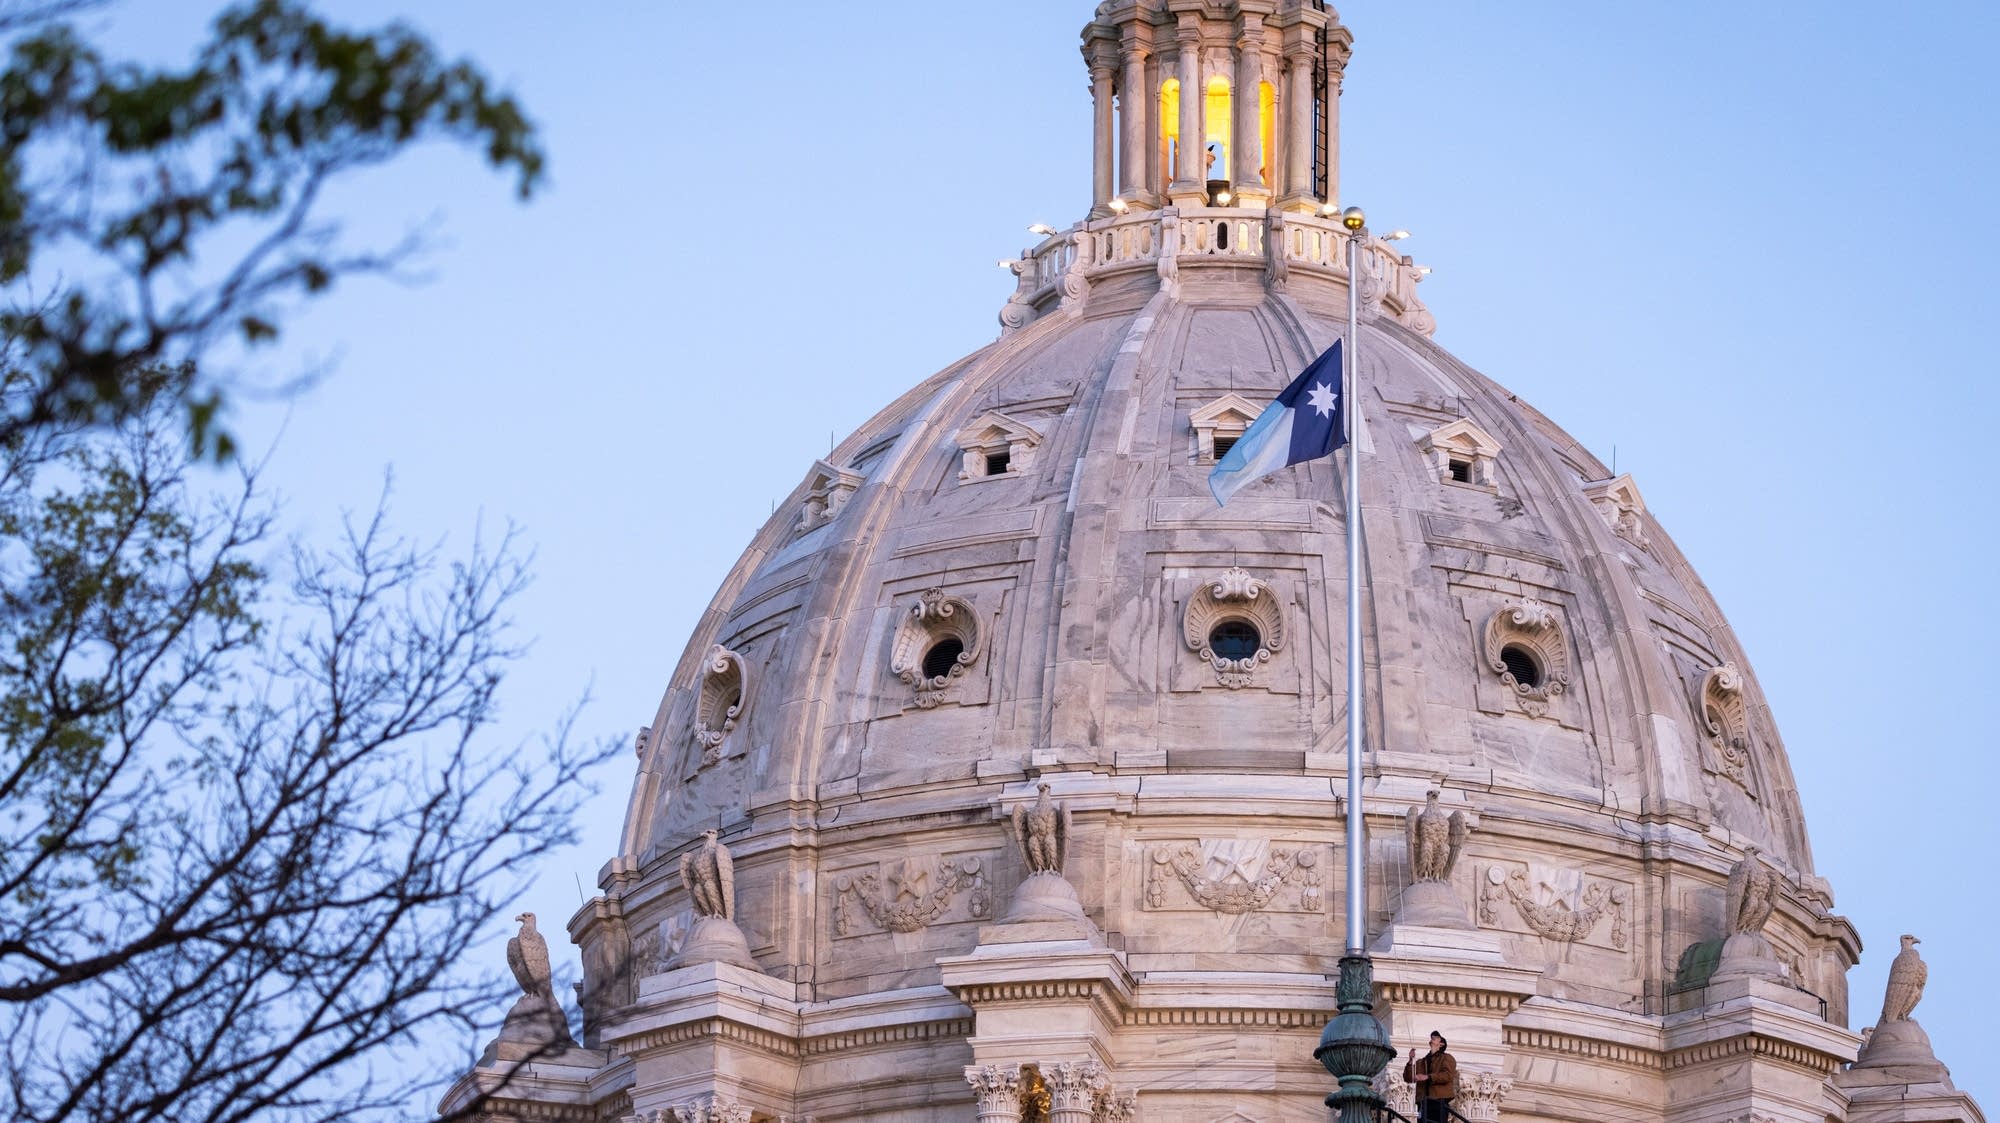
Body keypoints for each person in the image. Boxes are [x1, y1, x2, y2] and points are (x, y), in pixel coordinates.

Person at [1404, 1031, 1458, 1123]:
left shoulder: (1447, 1058)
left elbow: (1447, 1075)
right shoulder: (1421, 1061)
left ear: (1441, 1044)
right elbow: (1408, 1077)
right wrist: (1410, 1061)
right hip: (1423, 1102)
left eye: (1437, 1038)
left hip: (1439, 1101)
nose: (1432, 1038)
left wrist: (1428, 1077)